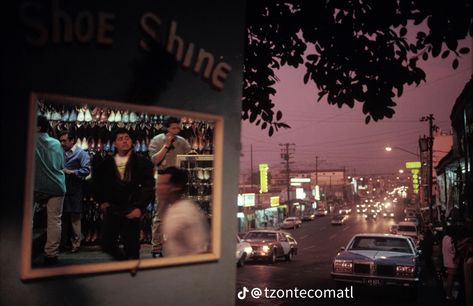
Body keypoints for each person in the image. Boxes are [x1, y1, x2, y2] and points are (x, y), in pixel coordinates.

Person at [92, 128, 154, 260]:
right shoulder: (106, 163)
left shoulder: (143, 163)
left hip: (132, 208)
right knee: (107, 243)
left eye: (127, 138)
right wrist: (102, 200)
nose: (124, 141)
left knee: (132, 247)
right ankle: (123, 262)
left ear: (131, 141)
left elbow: (148, 187)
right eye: (120, 139)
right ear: (114, 143)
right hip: (112, 208)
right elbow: (96, 182)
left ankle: (131, 271)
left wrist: (139, 207)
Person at [148, 116, 191, 257]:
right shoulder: (157, 140)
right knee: (160, 214)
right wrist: (166, 145)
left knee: (181, 213)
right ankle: (156, 248)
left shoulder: (182, 141)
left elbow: (189, 156)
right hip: (163, 178)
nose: (177, 130)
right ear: (167, 128)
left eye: (178, 128)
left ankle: (180, 245)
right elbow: (155, 160)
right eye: (174, 128)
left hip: (178, 179)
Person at [34, 115, 66, 265]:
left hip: (36, 184)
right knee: (54, 220)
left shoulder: (30, 141)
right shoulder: (56, 143)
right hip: (56, 184)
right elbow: (61, 165)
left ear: (38, 127)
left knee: (28, 219)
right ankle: (51, 254)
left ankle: (23, 249)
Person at [157, 167, 209, 256]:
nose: (158, 188)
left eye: (164, 184)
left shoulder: (187, 213)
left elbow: (200, 250)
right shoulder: (171, 209)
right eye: (158, 184)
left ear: (176, 187)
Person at [58, 131, 91, 253]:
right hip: (61, 188)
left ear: (72, 141)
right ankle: (63, 243)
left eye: (64, 141)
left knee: (75, 218)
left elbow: (86, 170)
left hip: (75, 189)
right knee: (63, 218)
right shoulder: (60, 152)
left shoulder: (81, 154)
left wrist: (72, 172)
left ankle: (76, 244)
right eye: (61, 140)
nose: (62, 143)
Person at [442, 225, 458, 300]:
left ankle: (448, 293)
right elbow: (453, 250)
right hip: (452, 260)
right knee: (451, 278)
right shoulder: (451, 239)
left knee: (449, 277)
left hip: (446, 259)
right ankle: (449, 294)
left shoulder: (445, 238)